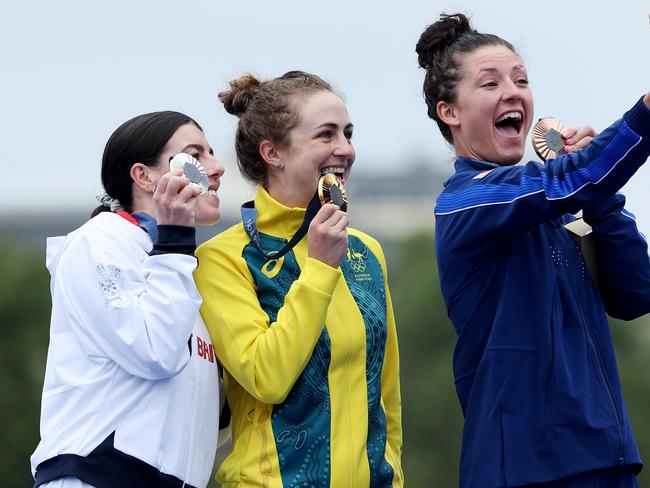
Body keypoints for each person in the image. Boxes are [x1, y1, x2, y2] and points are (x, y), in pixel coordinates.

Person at [416, 12, 650, 488]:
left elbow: (636, 293)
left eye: (521, 79)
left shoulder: (557, 208)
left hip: (605, 453)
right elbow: (569, 180)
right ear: (450, 112)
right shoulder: (464, 202)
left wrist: (600, 201)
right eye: (490, 83)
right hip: (527, 466)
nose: (513, 91)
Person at [194, 71, 403, 487]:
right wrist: (320, 268)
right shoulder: (223, 258)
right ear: (274, 153)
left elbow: (386, 396)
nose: (345, 149)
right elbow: (266, 377)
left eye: (347, 133)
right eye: (326, 135)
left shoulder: (365, 250)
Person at [30, 111, 226, 488]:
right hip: (97, 476)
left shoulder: (180, 269)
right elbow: (155, 352)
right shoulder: (100, 241)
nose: (215, 168)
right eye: (195, 156)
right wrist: (174, 243)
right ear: (144, 176)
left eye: (213, 155)